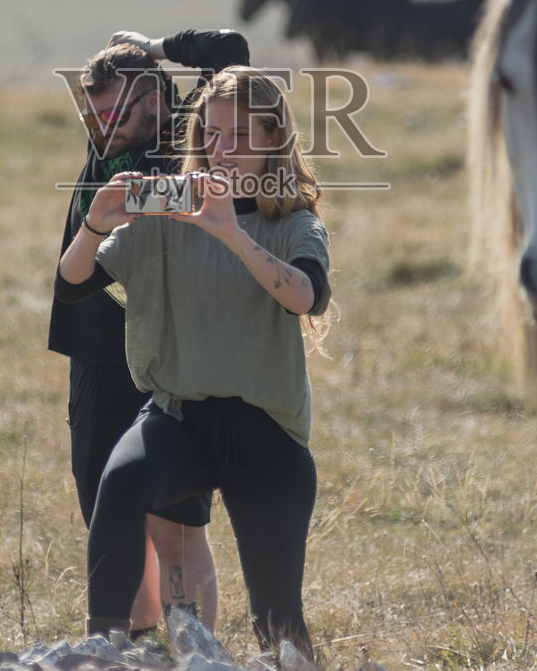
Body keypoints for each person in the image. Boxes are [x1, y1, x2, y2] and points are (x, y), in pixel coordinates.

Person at [56, 66, 333, 657]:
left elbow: (305, 296)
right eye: (211, 134)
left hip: (266, 430)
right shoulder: (165, 217)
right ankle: (102, 649)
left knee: (279, 625)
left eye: (239, 135)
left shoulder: (294, 224)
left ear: (272, 142)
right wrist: (94, 224)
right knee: (121, 484)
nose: (222, 149)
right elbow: (74, 283)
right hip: (178, 416)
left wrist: (233, 234)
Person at [50, 30, 248, 635]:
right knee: (104, 509)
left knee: (175, 521)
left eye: (114, 111)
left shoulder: (187, 136)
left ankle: (194, 650)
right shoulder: (104, 142)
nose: (102, 125)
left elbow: (231, 50)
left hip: (167, 363)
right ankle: (137, 645)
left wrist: (152, 48)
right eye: (94, 112)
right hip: (95, 356)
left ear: (155, 98)